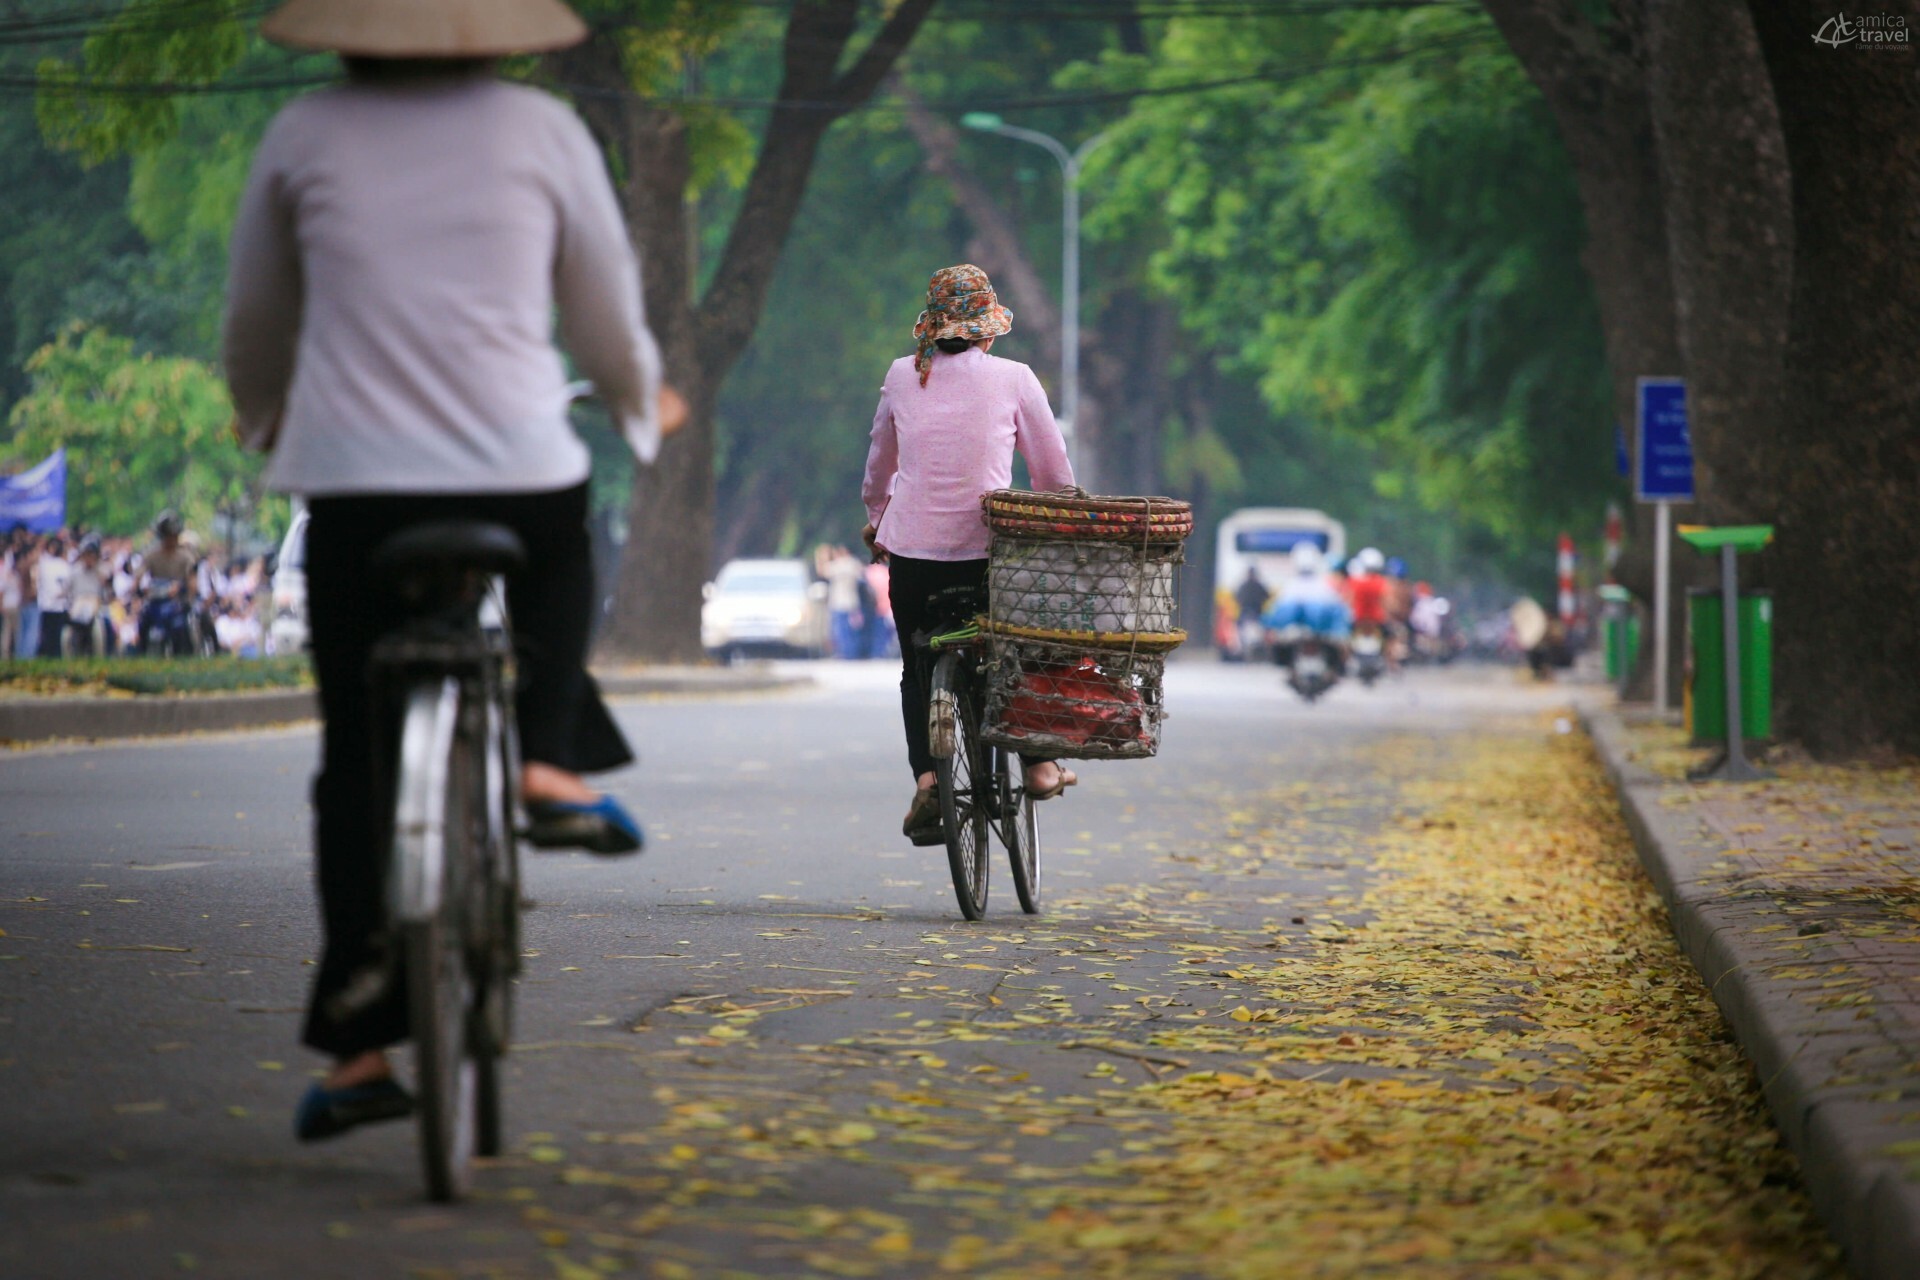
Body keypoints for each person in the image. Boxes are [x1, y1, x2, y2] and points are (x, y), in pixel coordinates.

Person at [222, 0, 685, 1143]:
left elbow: (257, 318)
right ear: (496, 29)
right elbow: (605, 318)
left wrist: (262, 414)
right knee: (560, 548)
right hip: (512, 469)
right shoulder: (542, 131)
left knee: (355, 765)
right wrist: (638, 405)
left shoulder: (302, 136)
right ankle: (542, 760)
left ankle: (361, 1047)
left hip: (354, 486)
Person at [860, 263, 1077, 842]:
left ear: (932, 329)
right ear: (987, 329)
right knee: (1015, 652)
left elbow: (880, 462)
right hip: (990, 556)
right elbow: (1054, 474)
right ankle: (1037, 764)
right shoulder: (1016, 377)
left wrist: (877, 517)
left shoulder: (903, 375)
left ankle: (929, 783)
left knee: (918, 665)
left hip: (912, 555)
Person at [34, 534, 71, 658]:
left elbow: (67, 586)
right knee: (47, 636)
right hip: (46, 605)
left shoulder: (62, 565)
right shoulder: (44, 563)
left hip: (58, 606)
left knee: (56, 637)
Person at [1234, 566, 1272, 661]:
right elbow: (1267, 596)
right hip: (1256, 614)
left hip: (1247, 614)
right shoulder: (1258, 585)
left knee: (1240, 630)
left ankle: (1241, 650)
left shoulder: (1243, 585)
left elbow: (1237, 597)